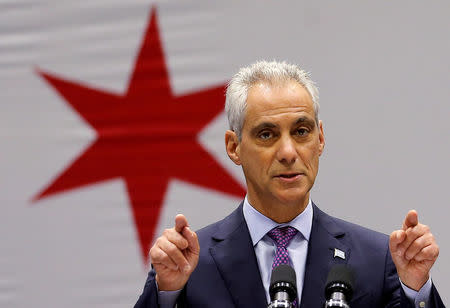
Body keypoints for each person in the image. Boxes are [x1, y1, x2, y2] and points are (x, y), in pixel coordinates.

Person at [134, 61, 444, 307]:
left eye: (301, 131)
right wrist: (168, 295)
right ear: (234, 147)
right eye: (267, 135)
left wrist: (415, 290)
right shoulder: (189, 265)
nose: (288, 153)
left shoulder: (377, 259)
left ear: (320, 139)